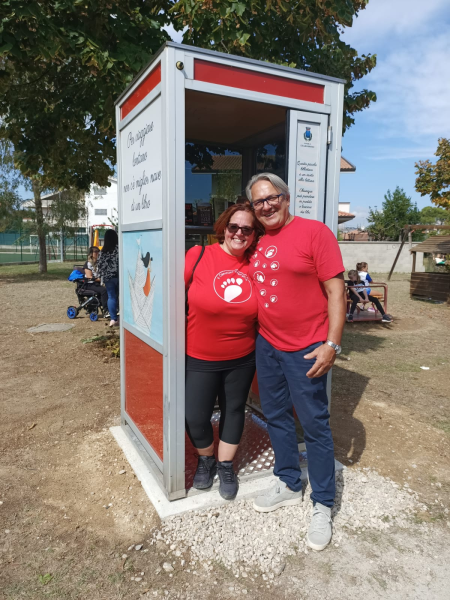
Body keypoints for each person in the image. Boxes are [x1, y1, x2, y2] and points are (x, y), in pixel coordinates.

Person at [245, 172, 345, 552]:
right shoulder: (256, 242)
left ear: (286, 198)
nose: (266, 206)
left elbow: (337, 292)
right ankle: (288, 481)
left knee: (315, 425)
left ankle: (323, 502)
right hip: (267, 345)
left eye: (272, 198)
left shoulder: (315, 233)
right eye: (259, 202)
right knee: (275, 416)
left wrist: (332, 344)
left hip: (306, 347)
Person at [185, 203, 264, 500]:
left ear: (255, 235)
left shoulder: (255, 265)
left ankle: (225, 463)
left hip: (242, 357)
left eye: (247, 229)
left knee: (233, 411)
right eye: (234, 227)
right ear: (224, 228)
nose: (239, 234)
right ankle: (206, 458)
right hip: (199, 355)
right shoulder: (198, 255)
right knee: (195, 415)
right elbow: (168, 297)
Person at [97, 229, 119, 327]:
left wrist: (102, 277)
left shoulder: (103, 251)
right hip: (119, 276)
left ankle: (113, 319)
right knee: (120, 297)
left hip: (108, 278)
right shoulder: (119, 249)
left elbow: (100, 265)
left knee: (111, 297)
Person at [83, 246, 109, 317]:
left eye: (98, 251)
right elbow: (89, 276)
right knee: (103, 290)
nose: (98, 253)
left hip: (97, 283)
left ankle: (113, 308)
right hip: (89, 284)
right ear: (91, 254)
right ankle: (106, 310)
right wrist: (99, 279)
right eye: (96, 251)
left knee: (110, 288)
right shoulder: (88, 264)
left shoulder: (98, 263)